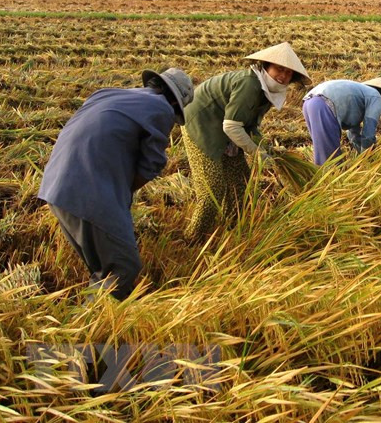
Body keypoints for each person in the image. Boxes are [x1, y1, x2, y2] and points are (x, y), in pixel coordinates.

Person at [38, 68, 194, 300]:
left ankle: (85, 318)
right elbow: (151, 163)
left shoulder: (107, 93)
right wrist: (122, 198)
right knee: (122, 268)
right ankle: (89, 327)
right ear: (174, 101)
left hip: (56, 186)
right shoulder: (162, 107)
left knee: (102, 266)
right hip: (89, 191)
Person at [182, 43, 310, 242]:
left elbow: (248, 126)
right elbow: (232, 127)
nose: (283, 76)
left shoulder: (266, 91)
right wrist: (258, 153)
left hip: (223, 129)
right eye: (279, 69)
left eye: (288, 73)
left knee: (240, 185)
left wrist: (269, 150)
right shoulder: (249, 84)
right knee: (212, 191)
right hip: (201, 126)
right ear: (266, 66)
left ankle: (231, 230)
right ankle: (192, 240)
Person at [302, 77, 381, 166]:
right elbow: (368, 133)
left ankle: (319, 183)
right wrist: (369, 158)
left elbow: (353, 135)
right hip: (323, 106)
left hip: (308, 104)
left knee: (323, 154)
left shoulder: (358, 99)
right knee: (332, 164)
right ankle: (326, 186)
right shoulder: (376, 97)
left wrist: (361, 154)